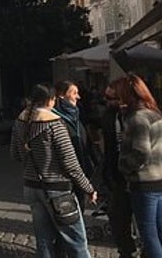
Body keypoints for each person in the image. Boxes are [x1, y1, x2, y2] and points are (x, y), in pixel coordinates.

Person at [11, 83, 97, 258]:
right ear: (51, 100)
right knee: (77, 242)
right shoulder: (54, 123)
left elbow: (15, 155)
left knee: (44, 242)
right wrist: (88, 188)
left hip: (31, 187)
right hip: (58, 190)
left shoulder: (20, 121)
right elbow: (70, 163)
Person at [116, 73, 162, 257]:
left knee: (149, 234)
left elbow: (141, 152)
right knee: (159, 230)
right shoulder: (156, 114)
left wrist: (124, 167)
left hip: (144, 183)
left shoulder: (137, 118)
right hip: (159, 178)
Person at [101, 79, 142, 258]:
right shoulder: (109, 116)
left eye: (113, 98)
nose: (108, 102)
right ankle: (126, 251)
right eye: (106, 98)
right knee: (119, 219)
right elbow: (109, 147)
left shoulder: (140, 116)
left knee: (146, 224)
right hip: (117, 177)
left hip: (140, 177)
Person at [53, 80, 99, 209]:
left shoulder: (76, 114)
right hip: (65, 178)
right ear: (62, 96)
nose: (78, 97)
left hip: (80, 172)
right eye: (74, 93)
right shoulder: (56, 119)